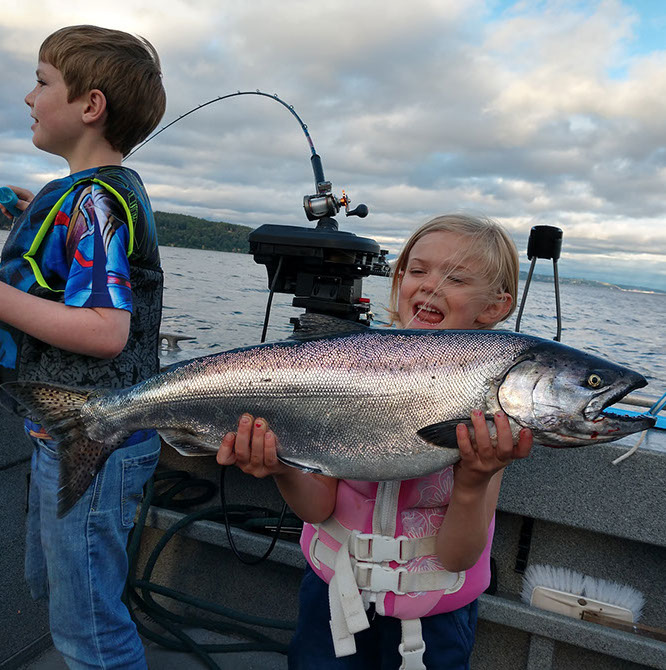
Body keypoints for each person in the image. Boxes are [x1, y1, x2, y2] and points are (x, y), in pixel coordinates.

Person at [217, 213, 534, 669]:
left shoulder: (490, 418)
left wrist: (472, 481)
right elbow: (317, 509)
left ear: (494, 308)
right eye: (417, 270)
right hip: (332, 601)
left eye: (456, 278)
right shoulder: (353, 376)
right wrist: (283, 467)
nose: (429, 286)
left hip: (431, 624)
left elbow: (458, 555)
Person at [0, 25, 166, 669]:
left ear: (90, 106)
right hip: (63, 437)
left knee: (88, 628)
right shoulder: (91, 194)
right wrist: (27, 216)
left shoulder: (94, 201)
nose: (27, 97)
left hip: (96, 445)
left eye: (42, 82)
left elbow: (105, 329)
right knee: (57, 593)